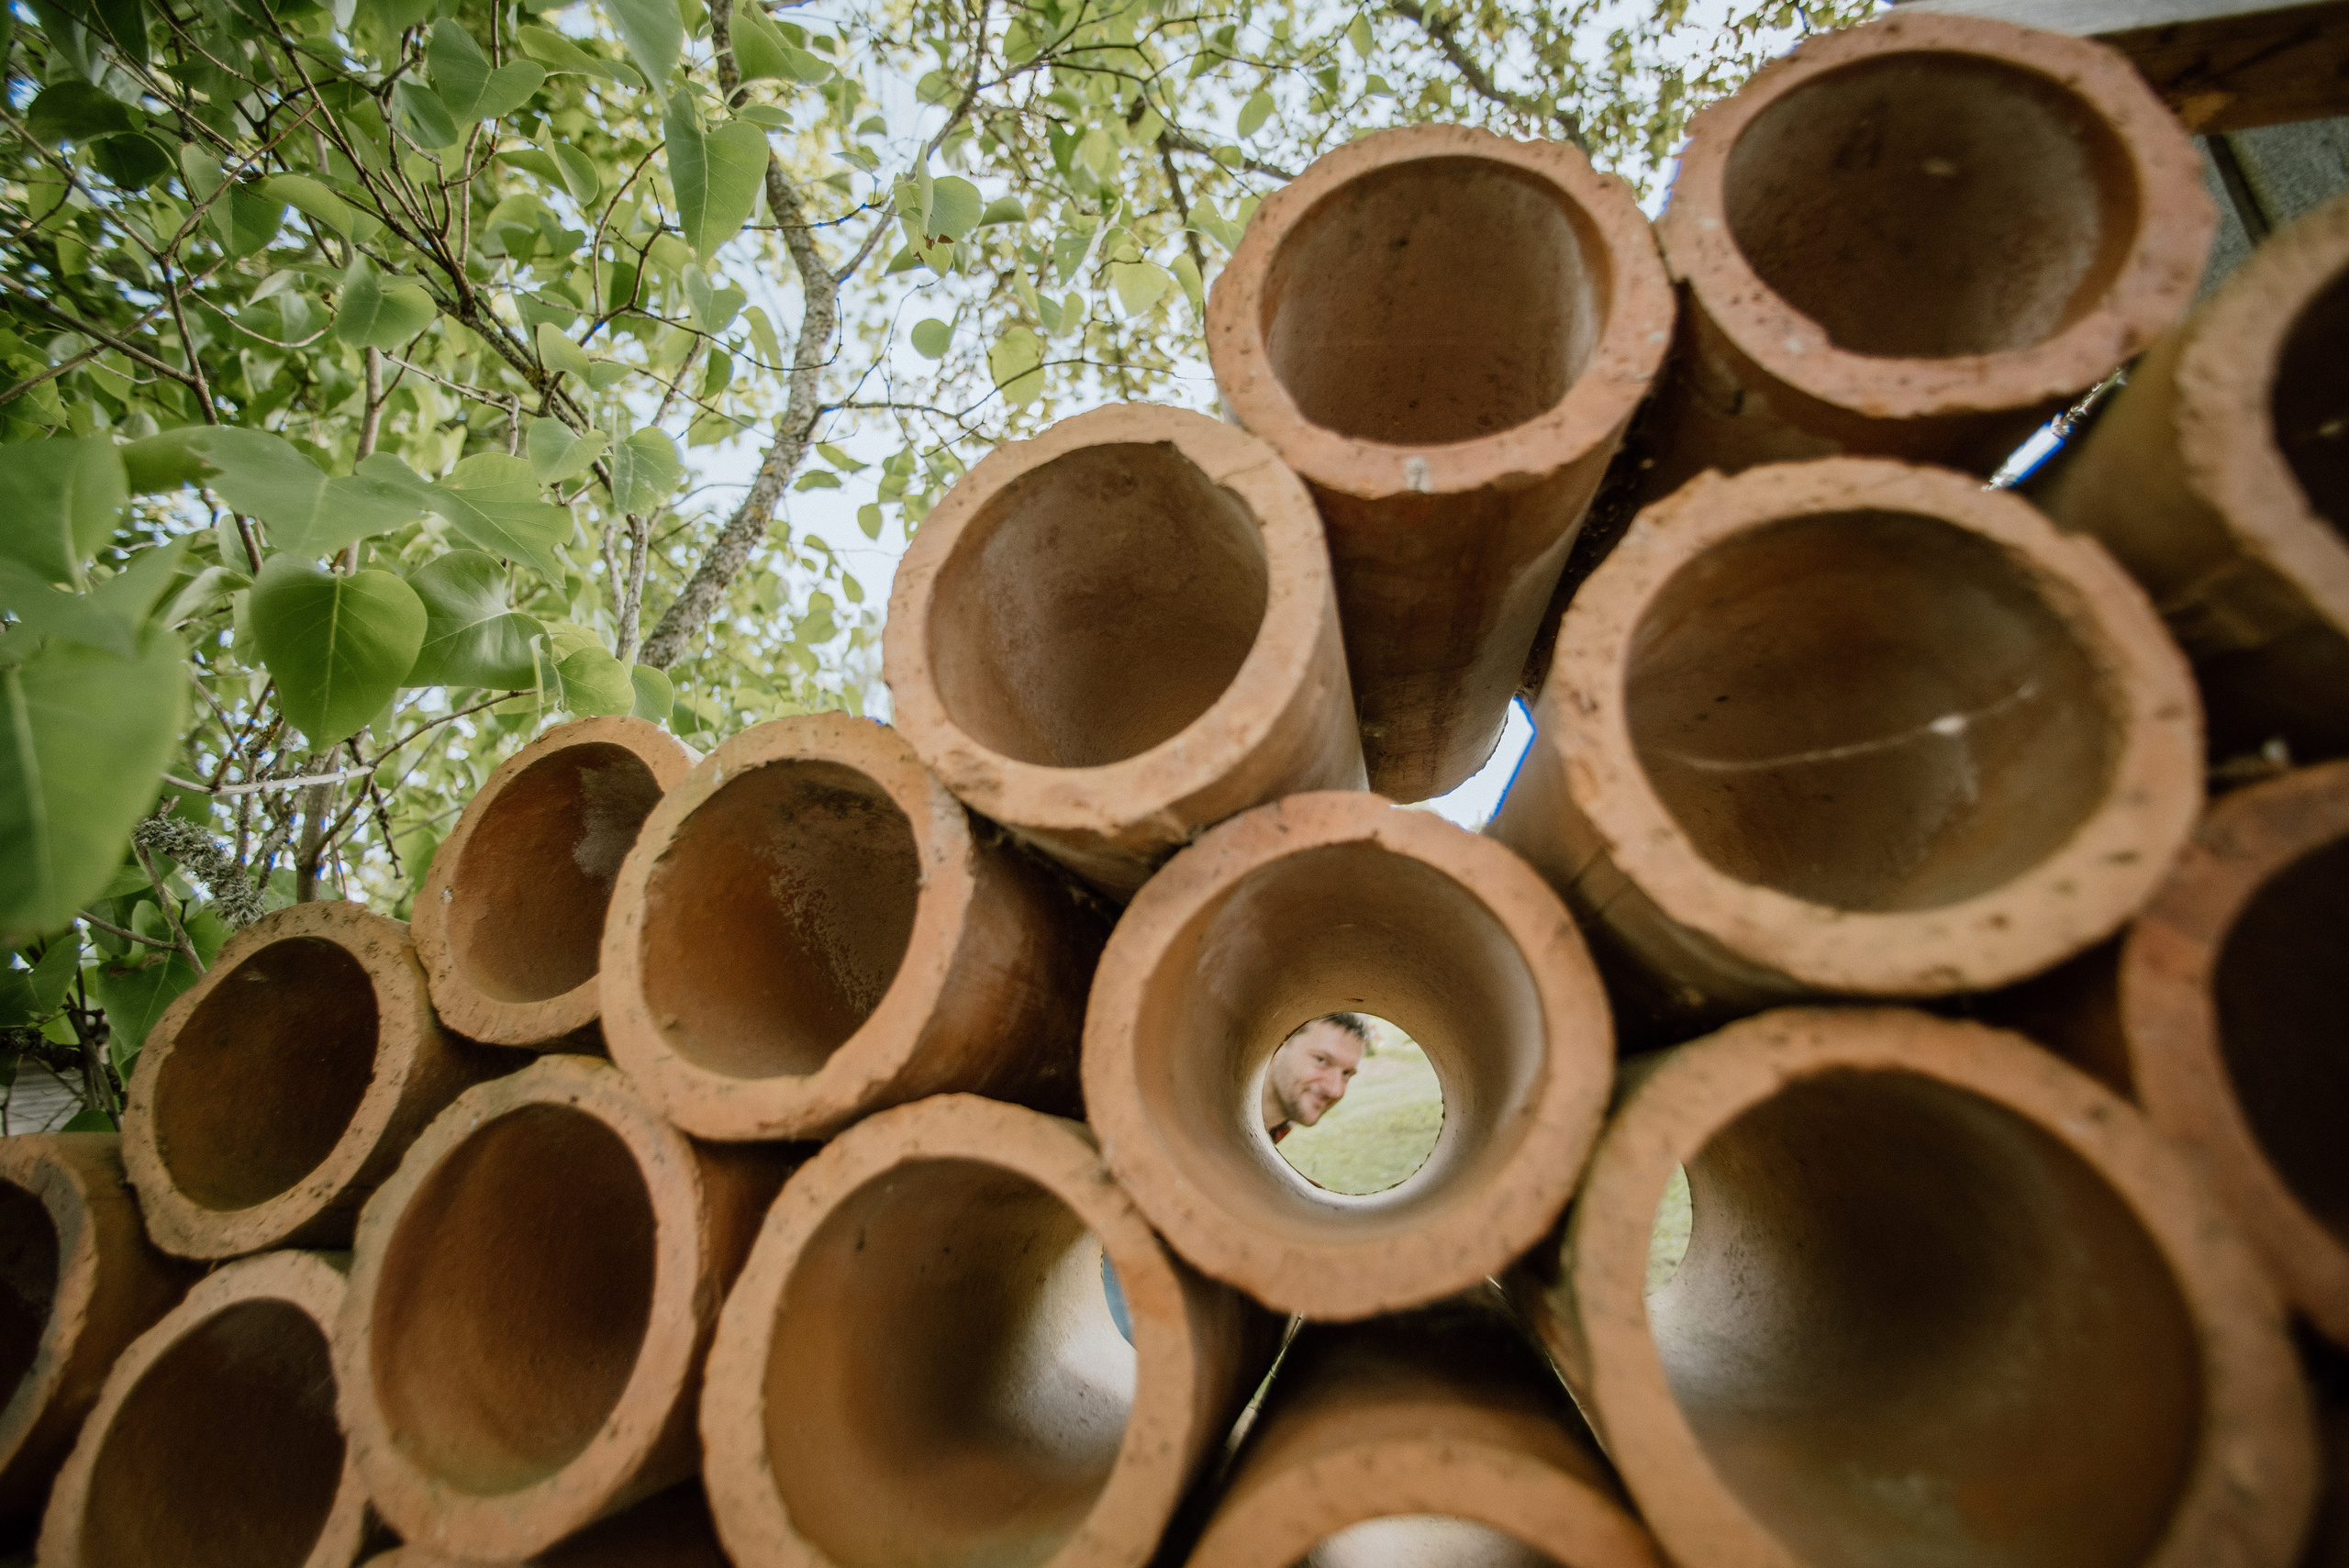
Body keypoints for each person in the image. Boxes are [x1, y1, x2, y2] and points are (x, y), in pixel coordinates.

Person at [1261, 1013, 1369, 1144]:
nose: (1335, 1091)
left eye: (1346, 1073)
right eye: (1321, 1060)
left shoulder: (1280, 1128)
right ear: (1276, 1047)